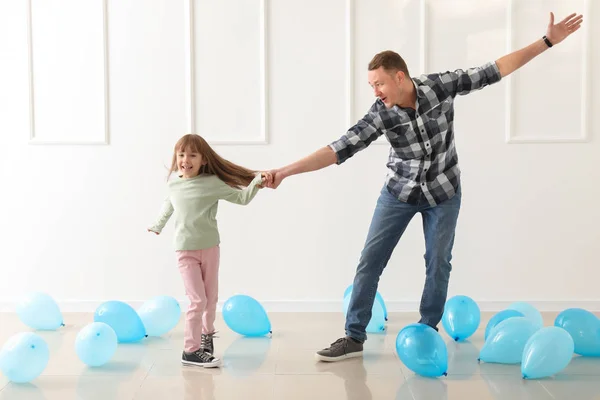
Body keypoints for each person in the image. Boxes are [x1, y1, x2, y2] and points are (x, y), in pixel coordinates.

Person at [264, 12, 583, 362]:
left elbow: (496, 69)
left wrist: (548, 41)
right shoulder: (380, 114)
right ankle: (353, 337)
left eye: (379, 84)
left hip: (444, 192)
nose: (375, 91)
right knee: (370, 261)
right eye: (371, 85)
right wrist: (285, 171)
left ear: (399, 77)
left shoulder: (440, 86)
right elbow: (338, 149)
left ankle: (427, 330)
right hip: (398, 194)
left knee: (438, 261)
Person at [148, 133, 270, 368]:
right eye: (181, 154)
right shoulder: (174, 184)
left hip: (210, 248)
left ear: (203, 159)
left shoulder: (212, 183)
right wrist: (158, 225)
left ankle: (206, 338)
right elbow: (168, 205)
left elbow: (242, 198)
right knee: (197, 300)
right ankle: (190, 350)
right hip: (185, 251)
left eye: (192, 155)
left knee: (210, 299)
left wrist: (255, 182)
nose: (185, 159)